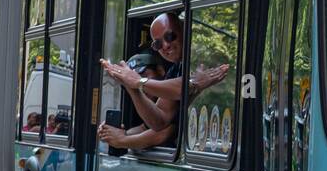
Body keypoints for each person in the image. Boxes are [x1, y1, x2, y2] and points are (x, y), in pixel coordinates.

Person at [99, 12, 228, 133]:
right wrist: (131, 86)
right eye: (158, 44)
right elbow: (159, 121)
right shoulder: (176, 69)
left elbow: (184, 87)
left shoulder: (203, 57)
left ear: (185, 30)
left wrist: (138, 82)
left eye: (170, 36)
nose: (166, 45)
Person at [96, 52, 177, 151]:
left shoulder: (173, 93)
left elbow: (163, 132)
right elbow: (145, 128)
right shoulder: (150, 104)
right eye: (131, 79)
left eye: (143, 75)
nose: (134, 82)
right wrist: (112, 134)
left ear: (160, 71)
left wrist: (123, 140)